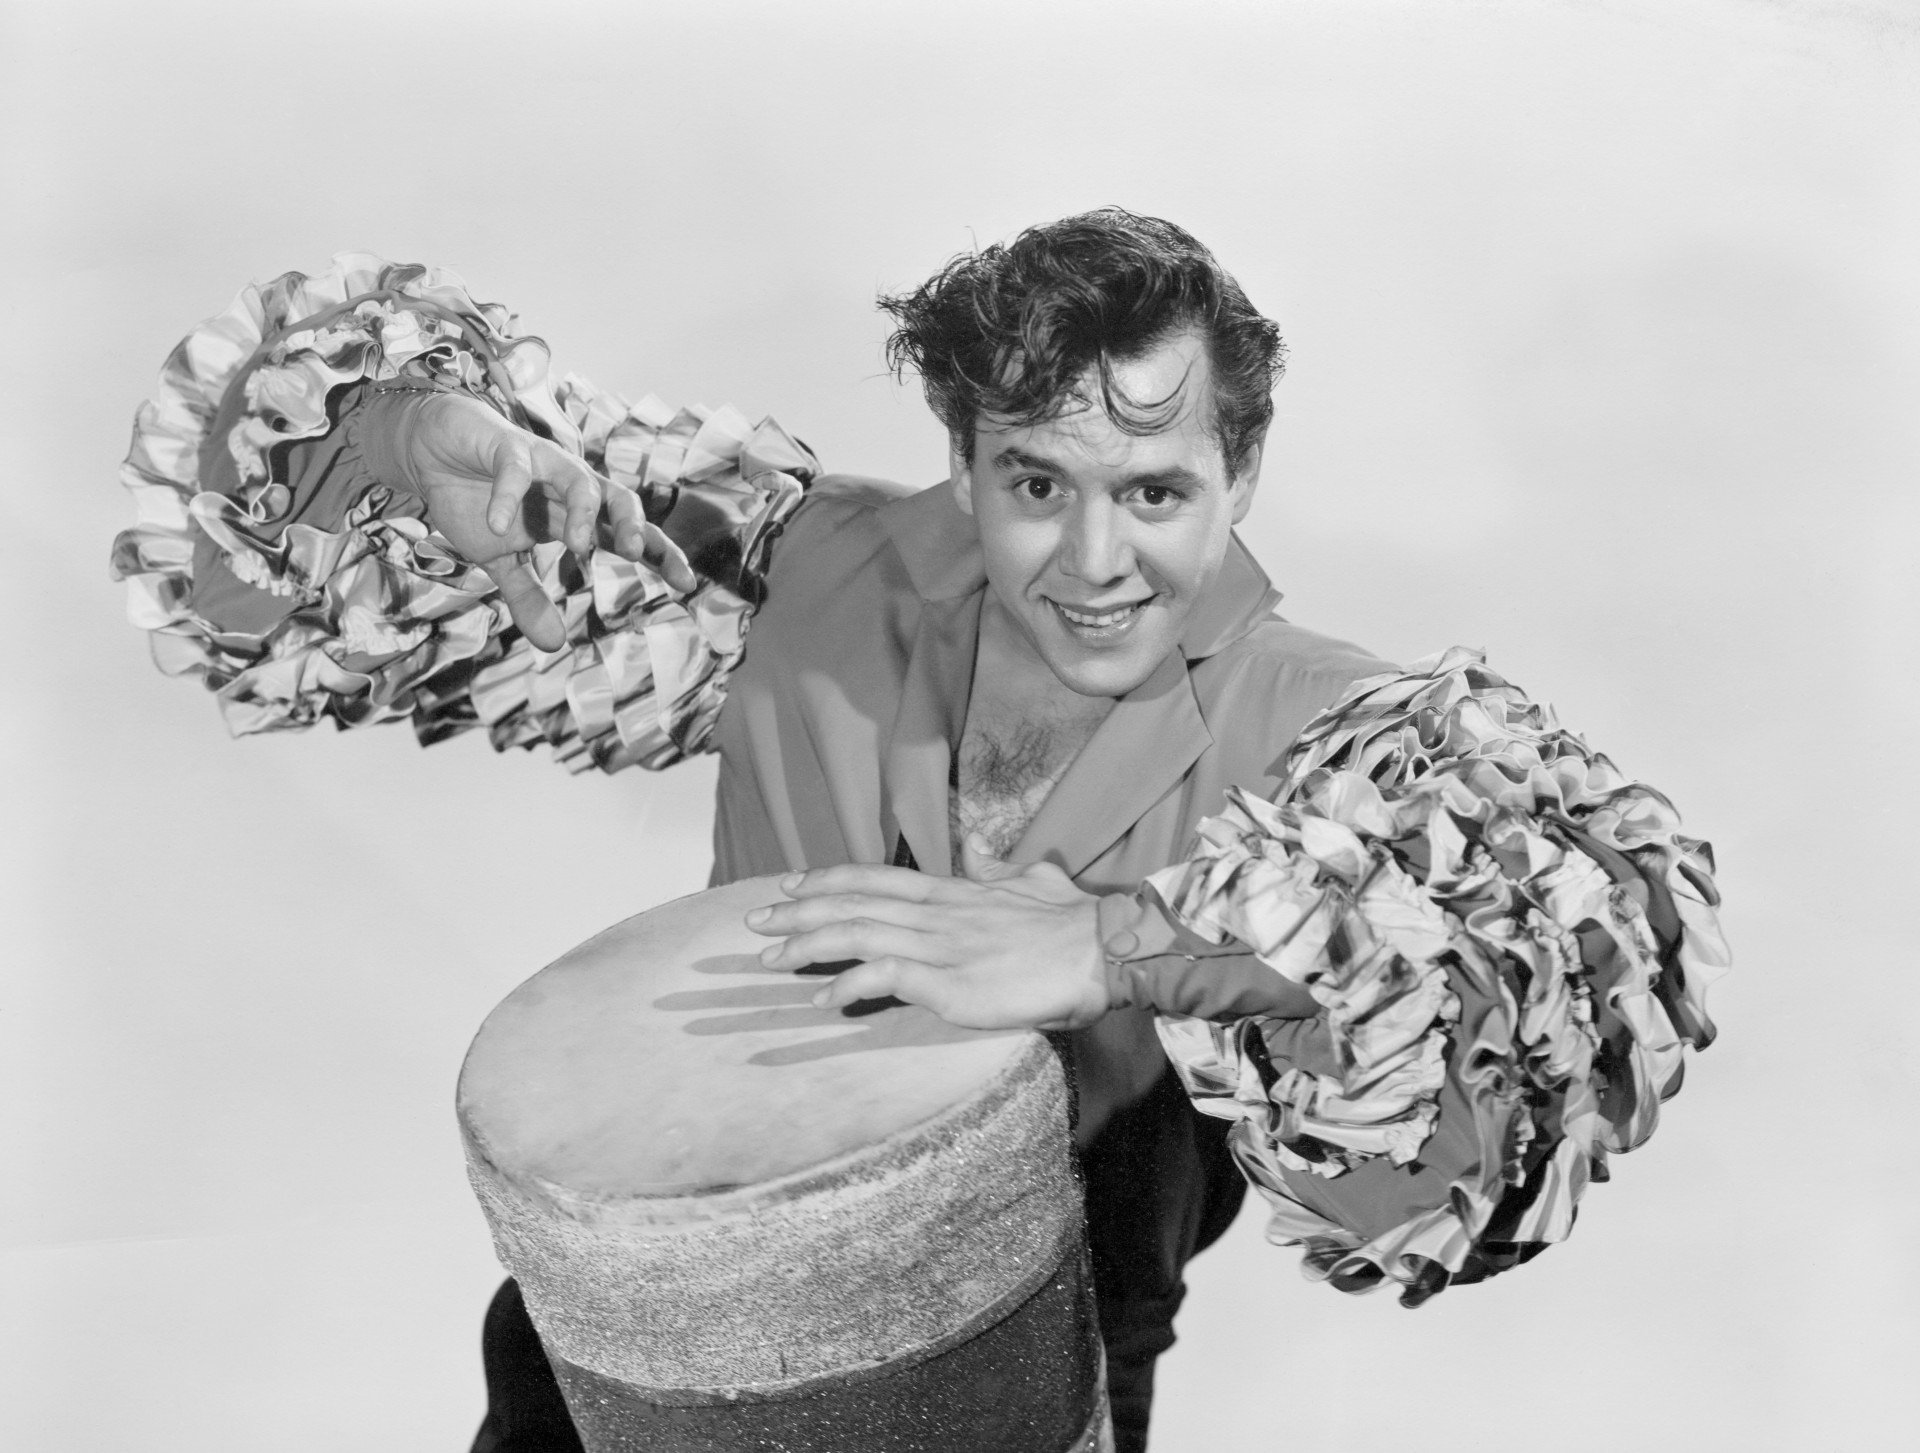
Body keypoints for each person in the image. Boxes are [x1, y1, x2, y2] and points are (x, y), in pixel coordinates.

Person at [111, 211, 1728, 1452]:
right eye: (1036, 485)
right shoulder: (794, 560)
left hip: (1027, 1318)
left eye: (1153, 492)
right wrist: (407, 439)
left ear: (1240, 469)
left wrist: (1112, 943)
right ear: (966, 462)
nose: (1092, 558)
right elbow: (266, 497)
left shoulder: (1314, 720)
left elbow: (1588, 924)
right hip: (642, 1280)